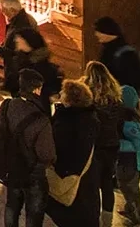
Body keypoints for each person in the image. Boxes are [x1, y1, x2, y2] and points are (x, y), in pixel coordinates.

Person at [0, 68, 57, 227]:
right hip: (32, 172)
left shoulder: (7, 105)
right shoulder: (41, 120)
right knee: (34, 214)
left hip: (11, 166)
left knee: (12, 205)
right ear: (37, 89)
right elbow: (47, 154)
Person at [46, 80, 103, 225]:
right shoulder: (88, 117)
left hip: (72, 178)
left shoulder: (70, 121)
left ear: (71, 99)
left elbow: (61, 147)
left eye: (63, 92)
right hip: (87, 179)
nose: (60, 94)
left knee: (72, 216)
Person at [83, 60, 127, 221]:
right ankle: (107, 219)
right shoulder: (117, 100)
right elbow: (120, 124)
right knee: (107, 183)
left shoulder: (89, 101)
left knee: (92, 185)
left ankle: (93, 219)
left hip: (95, 147)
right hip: (112, 145)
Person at [3, 27, 62, 109]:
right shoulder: (21, 58)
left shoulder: (39, 66)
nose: (16, 40)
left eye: (19, 38)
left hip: (33, 110)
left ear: (28, 42)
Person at [94, 16, 140, 93]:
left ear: (107, 32)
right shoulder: (108, 49)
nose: (96, 34)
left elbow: (130, 81)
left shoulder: (126, 54)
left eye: (98, 31)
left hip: (122, 95)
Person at [117, 81, 140, 225]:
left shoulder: (129, 122)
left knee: (130, 190)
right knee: (128, 188)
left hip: (130, 162)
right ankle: (130, 209)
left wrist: (117, 144)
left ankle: (138, 219)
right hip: (131, 162)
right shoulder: (133, 118)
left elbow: (134, 145)